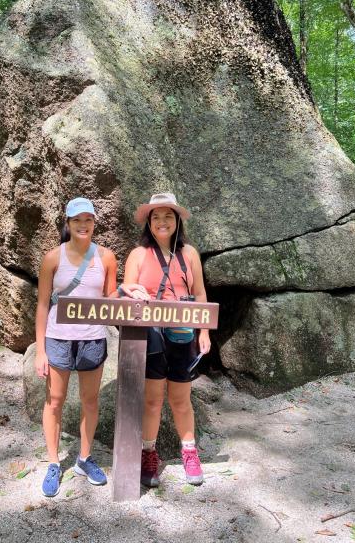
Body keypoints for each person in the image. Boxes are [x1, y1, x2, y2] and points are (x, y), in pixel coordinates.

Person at [121, 193, 211, 488]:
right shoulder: (138, 254)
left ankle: (189, 452)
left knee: (181, 398)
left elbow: (199, 295)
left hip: (183, 331)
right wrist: (132, 291)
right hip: (151, 332)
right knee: (152, 398)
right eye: (156, 216)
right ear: (149, 221)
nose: (162, 221)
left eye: (168, 216)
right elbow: (127, 288)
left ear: (176, 221)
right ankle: (149, 453)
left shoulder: (190, 254)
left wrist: (205, 332)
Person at [35, 197, 118, 497]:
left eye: (88, 220)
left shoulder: (107, 257)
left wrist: (126, 292)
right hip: (58, 338)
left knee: (90, 400)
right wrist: (41, 350)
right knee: (54, 400)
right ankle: (54, 462)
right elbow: (43, 305)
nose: (83, 225)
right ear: (67, 224)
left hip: (92, 337)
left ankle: (84, 458)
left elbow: (110, 299)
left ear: (94, 223)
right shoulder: (52, 259)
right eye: (77, 220)